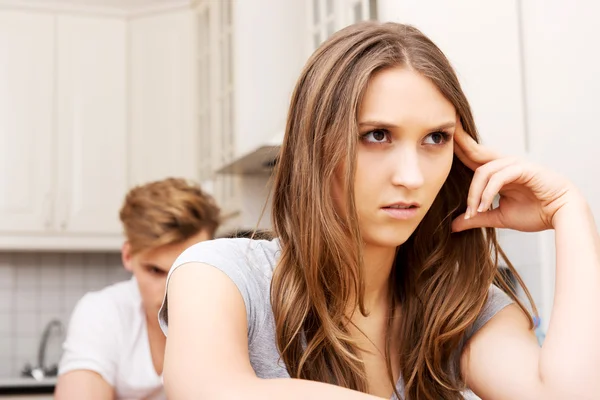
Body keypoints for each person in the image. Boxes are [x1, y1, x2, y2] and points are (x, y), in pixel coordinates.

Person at [159, 22, 600, 399]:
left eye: (435, 139)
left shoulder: (461, 306)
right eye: (376, 135)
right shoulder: (220, 277)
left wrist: (570, 213)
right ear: (315, 146)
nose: (411, 176)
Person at [55, 178, 221, 400]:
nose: (171, 293)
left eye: (186, 270)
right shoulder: (102, 312)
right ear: (128, 256)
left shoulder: (230, 316)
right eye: (155, 271)